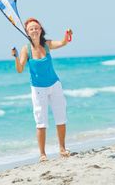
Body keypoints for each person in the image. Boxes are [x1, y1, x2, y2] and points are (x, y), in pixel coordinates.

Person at [11, 17, 73, 162]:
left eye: (36, 28)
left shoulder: (46, 44)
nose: (34, 30)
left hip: (54, 85)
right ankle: (43, 154)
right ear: (27, 32)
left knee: (61, 116)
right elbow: (20, 69)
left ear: (41, 30)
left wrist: (67, 34)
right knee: (41, 121)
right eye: (31, 28)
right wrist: (15, 57)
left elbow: (64, 42)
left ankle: (62, 148)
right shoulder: (26, 49)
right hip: (38, 89)